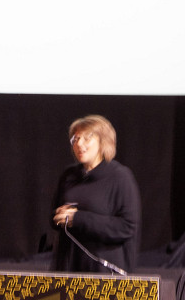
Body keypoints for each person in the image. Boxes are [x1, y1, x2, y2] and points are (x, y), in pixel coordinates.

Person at [50, 114, 140, 273]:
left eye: (87, 138)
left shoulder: (120, 177)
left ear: (103, 142)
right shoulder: (68, 175)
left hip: (104, 271)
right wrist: (59, 216)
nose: (79, 144)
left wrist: (77, 218)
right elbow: (53, 217)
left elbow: (126, 227)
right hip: (69, 268)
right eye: (76, 139)